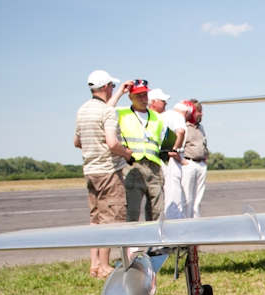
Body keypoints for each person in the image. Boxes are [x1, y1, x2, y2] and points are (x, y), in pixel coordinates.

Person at [74, 70, 134, 280]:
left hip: (90, 170)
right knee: (112, 218)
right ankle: (105, 266)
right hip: (108, 171)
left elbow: (77, 142)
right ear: (107, 86)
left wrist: (119, 94)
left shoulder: (83, 110)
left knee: (96, 218)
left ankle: (94, 265)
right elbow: (112, 143)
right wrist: (127, 154)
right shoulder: (108, 113)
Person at [116, 79, 166, 221]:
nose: (143, 99)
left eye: (145, 95)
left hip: (154, 168)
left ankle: (156, 242)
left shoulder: (157, 117)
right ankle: (131, 243)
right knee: (132, 210)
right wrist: (120, 91)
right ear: (130, 97)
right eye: (139, 95)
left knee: (157, 210)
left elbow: (163, 140)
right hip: (133, 167)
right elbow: (104, 111)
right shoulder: (121, 113)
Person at [159, 100, 191, 219]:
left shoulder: (161, 116)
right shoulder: (178, 117)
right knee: (173, 192)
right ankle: (174, 221)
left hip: (162, 156)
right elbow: (181, 131)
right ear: (184, 112)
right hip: (172, 158)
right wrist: (175, 149)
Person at [181, 99, 208, 218]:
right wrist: (182, 161)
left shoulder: (201, 128)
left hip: (201, 164)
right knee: (187, 197)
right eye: (199, 111)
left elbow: (204, 144)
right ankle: (186, 220)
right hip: (189, 163)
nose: (201, 114)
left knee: (198, 199)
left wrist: (205, 157)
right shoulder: (184, 127)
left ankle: (197, 220)